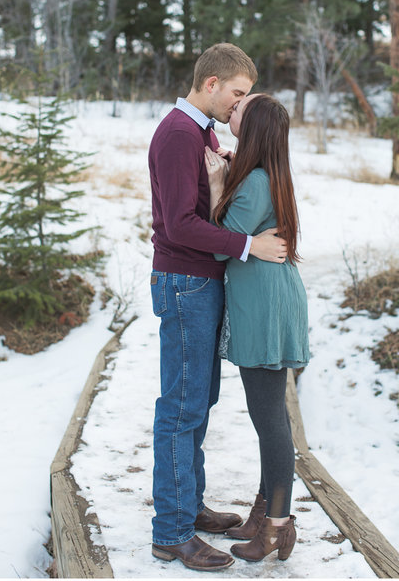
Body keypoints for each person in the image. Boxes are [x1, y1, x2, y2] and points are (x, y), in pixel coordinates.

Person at [148, 43, 288, 572]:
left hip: (201, 281)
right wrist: (251, 247)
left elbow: (203, 201)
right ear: (211, 83)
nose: (239, 106)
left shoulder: (202, 132)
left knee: (197, 402)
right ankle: (172, 533)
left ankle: (189, 505)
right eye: (237, 93)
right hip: (184, 281)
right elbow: (181, 223)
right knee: (181, 408)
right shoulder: (180, 134)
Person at [204, 93, 309, 562]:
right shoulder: (267, 176)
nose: (235, 106)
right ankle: (263, 513)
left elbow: (220, 247)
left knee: (269, 422)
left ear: (256, 127)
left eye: (244, 106)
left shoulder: (254, 185)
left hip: (263, 305)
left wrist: (212, 190)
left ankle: (278, 526)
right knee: (273, 418)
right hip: (275, 296)